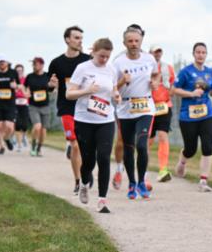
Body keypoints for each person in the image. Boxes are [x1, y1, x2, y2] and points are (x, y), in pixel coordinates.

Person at [67, 37, 121, 213]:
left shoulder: (111, 70)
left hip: (105, 120)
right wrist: (87, 91)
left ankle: (102, 200)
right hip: (84, 120)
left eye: (107, 56)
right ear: (94, 52)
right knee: (88, 160)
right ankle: (84, 184)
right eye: (101, 56)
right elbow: (69, 94)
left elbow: (113, 90)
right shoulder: (82, 68)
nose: (104, 59)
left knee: (104, 157)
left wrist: (116, 96)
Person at [113, 25, 159, 200]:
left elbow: (156, 74)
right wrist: (122, 82)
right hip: (125, 109)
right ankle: (131, 183)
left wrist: (155, 82)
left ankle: (141, 182)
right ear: (124, 43)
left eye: (136, 41)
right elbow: (112, 87)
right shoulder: (118, 62)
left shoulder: (149, 59)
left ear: (141, 41)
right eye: (130, 41)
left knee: (141, 145)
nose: (134, 44)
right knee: (129, 147)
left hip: (146, 106)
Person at [48, 26, 91, 193]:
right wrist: (51, 85)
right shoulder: (56, 63)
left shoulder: (87, 60)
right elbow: (50, 88)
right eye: (76, 38)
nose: (80, 41)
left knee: (87, 146)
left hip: (86, 108)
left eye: (81, 38)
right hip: (67, 108)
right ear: (67, 39)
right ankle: (78, 180)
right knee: (76, 146)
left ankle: (86, 170)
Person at [172, 42, 212, 191]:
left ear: (206, 54)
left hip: (207, 114)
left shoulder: (209, 72)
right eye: (198, 52)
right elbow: (174, 90)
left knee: (207, 146)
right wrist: (191, 94)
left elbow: (211, 89)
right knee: (191, 149)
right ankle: (182, 162)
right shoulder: (185, 72)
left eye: (203, 52)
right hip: (188, 116)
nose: (200, 55)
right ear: (193, 54)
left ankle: (203, 181)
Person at [149, 44, 176, 182]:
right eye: (155, 52)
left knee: (163, 135)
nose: (157, 54)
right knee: (148, 140)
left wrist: (170, 93)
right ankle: (143, 170)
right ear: (150, 53)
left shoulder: (168, 68)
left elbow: (173, 83)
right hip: (148, 106)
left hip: (164, 106)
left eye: (159, 51)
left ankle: (163, 169)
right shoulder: (145, 67)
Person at [0, 55, 19, 155]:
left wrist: (15, 86)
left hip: (10, 103)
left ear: (7, 63)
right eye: (0, 62)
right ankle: (1, 146)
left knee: (10, 126)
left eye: (3, 62)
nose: (2, 63)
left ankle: (6, 138)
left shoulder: (13, 73)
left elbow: (18, 85)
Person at [25, 57, 53, 157]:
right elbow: (26, 88)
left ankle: (39, 148)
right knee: (37, 126)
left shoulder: (47, 76)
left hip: (45, 106)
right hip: (33, 106)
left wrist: (53, 87)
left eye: (35, 64)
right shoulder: (29, 76)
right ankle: (33, 146)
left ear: (41, 65)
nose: (34, 66)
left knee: (43, 130)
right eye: (33, 64)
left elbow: (51, 89)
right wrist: (26, 93)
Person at [14, 63, 31, 151]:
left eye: (21, 70)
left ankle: (24, 136)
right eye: (17, 71)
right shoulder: (13, 81)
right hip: (15, 104)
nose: (19, 72)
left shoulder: (26, 80)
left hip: (25, 104)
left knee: (24, 125)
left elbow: (28, 93)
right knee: (17, 124)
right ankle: (19, 145)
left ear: (23, 71)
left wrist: (22, 90)